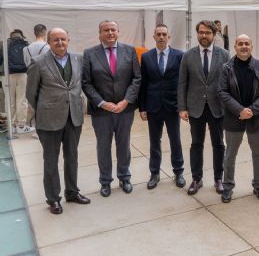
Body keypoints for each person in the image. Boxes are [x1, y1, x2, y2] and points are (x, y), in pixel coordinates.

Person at [26, 28, 90, 214]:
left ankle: (72, 192)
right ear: (49, 42)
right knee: (51, 161)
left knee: (72, 157)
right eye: (55, 40)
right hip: (49, 120)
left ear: (68, 40)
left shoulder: (78, 59)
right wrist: (46, 109)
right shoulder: (38, 62)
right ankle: (53, 199)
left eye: (63, 39)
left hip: (73, 117)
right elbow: (31, 93)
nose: (60, 43)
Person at [82, 20, 141, 197]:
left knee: (124, 145)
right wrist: (102, 102)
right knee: (103, 146)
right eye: (106, 30)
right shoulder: (90, 53)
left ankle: (125, 177)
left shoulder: (130, 51)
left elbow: (136, 79)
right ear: (99, 33)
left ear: (118, 32)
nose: (110, 33)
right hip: (101, 111)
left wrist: (126, 101)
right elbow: (86, 82)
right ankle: (105, 181)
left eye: (113, 30)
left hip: (124, 109)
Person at [178, 20, 230, 195]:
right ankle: (196, 179)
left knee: (218, 144)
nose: (204, 35)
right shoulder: (188, 56)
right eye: (201, 32)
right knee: (196, 144)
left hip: (217, 107)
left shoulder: (224, 55)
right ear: (197, 34)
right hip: (195, 108)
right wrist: (182, 107)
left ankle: (218, 179)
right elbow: (182, 82)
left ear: (214, 35)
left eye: (207, 32)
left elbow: (229, 83)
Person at [219, 35, 259, 203]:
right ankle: (227, 187)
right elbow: (222, 92)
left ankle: (258, 185)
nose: (244, 46)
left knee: (257, 154)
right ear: (235, 47)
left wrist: (252, 110)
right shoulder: (226, 68)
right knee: (230, 155)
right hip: (234, 118)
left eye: (246, 44)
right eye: (240, 44)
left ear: (252, 46)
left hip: (255, 119)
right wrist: (240, 110)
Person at [139, 24, 185, 190]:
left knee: (175, 140)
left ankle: (178, 171)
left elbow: (182, 83)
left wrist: (182, 106)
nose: (161, 37)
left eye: (164, 34)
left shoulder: (179, 56)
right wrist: (142, 107)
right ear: (154, 37)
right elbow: (143, 84)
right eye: (158, 34)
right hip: (153, 106)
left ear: (169, 37)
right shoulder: (146, 57)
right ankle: (154, 173)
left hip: (172, 106)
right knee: (154, 141)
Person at [7, 29, 33, 134]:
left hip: (8, 74)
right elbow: (29, 60)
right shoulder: (26, 44)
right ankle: (21, 126)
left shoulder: (5, 44)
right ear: (21, 35)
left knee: (11, 101)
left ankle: (12, 125)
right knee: (22, 100)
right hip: (23, 74)